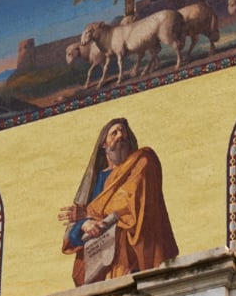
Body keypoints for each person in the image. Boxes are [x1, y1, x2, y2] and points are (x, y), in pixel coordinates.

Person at [58, 117, 178, 286]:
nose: (120, 135)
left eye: (123, 132)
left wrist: (88, 213)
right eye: (114, 133)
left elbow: (130, 202)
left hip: (134, 260)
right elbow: (74, 235)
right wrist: (85, 223)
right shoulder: (98, 180)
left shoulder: (141, 162)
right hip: (101, 264)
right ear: (103, 145)